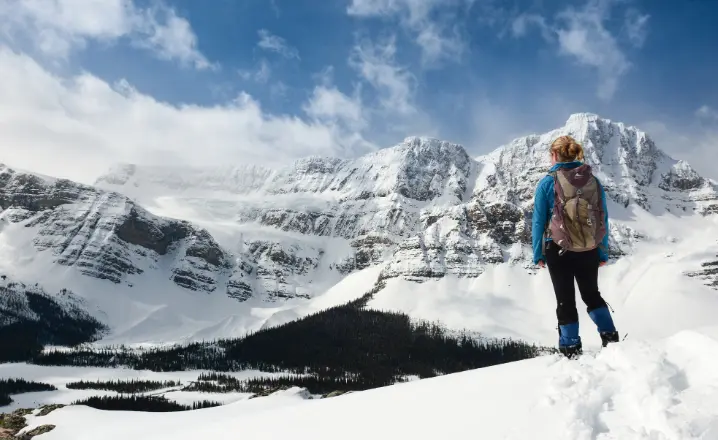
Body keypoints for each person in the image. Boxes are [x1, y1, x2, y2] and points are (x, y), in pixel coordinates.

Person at [531, 135, 620, 358]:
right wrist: (602, 249)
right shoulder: (593, 180)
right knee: (592, 295)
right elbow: (603, 218)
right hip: (588, 248)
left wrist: (537, 253)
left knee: (565, 299)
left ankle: (570, 347)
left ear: (554, 155)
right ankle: (610, 338)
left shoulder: (547, 182)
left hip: (558, 249)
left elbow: (539, 221)